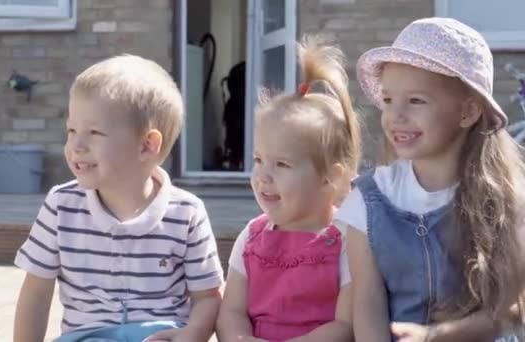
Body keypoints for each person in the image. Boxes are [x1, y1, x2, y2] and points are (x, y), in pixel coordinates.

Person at [13, 55, 224, 342]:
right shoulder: (61, 205)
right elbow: (36, 291)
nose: (76, 145)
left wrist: (192, 335)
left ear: (147, 145)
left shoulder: (186, 212)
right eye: (71, 130)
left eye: (95, 133)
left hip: (160, 335)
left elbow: (208, 296)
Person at [340, 17, 525, 341]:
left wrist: (435, 336)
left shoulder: (507, 200)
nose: (395, 115)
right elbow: (367, 300)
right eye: (388, 100)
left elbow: (506, 311)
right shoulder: (369, 200)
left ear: (467, 112)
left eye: (416, 100)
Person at [216, 35, 361, 342]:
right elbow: (231, 313)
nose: (263, 176)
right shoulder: (252, 237)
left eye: (281, 164)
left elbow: (345, 326)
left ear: (328, 177)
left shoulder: (347, 240)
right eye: (258, 159)